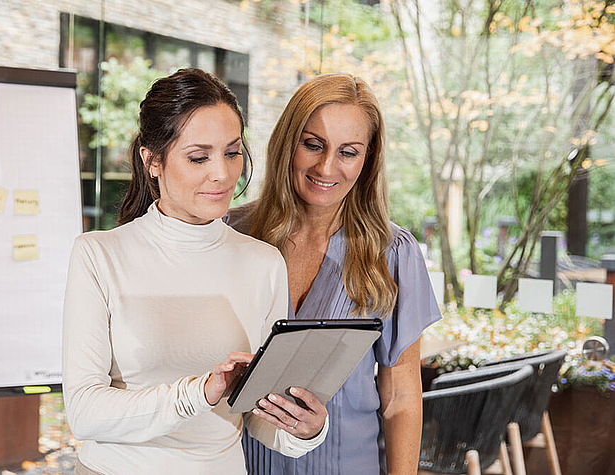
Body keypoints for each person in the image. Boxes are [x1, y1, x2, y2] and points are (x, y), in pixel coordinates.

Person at [61, 68, 330, 475]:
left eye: (232, 152)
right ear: (152, 161)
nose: (221, 174)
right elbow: (85, 412)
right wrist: (199, 393)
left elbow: (256, 413)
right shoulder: (99, 255)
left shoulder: (263, 263)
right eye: (199, 157)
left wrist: (304, 428)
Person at [226, 73, 442, 474]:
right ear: (287, 142)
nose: (327, 166)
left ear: (368, 158)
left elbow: (401, 398)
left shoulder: (392, 253)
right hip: (240, 463)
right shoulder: (231, 234)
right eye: (313, 145)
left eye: (348, 152)